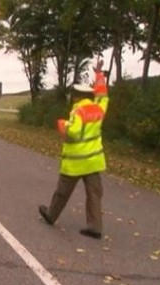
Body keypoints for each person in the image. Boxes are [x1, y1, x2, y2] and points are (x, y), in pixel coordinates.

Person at [39, 59, 109, 239]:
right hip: (93, 162)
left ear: (76, 97)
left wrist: (62, 125)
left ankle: (51, 215)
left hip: (76, 161)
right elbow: (103, 95)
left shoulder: (78, 112)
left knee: (62, 191)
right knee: (94, 194)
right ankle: (95, 226)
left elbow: (73, 133)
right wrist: (99, 74)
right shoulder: (99, 108)